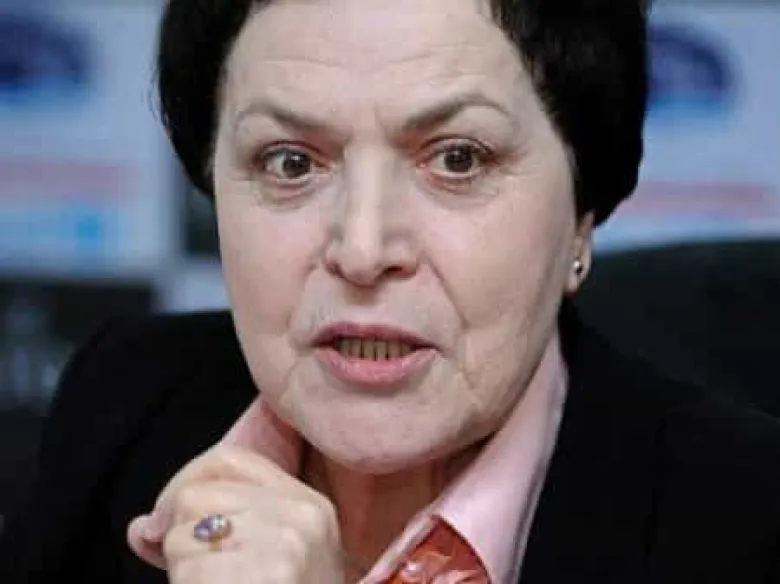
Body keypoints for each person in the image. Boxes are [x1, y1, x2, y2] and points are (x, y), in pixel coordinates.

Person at [2, 0, 780, 582]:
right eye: (290, 162)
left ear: (583, 212)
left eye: (458, 159)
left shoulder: (745, 523)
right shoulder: (125, 402)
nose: (363, 250)